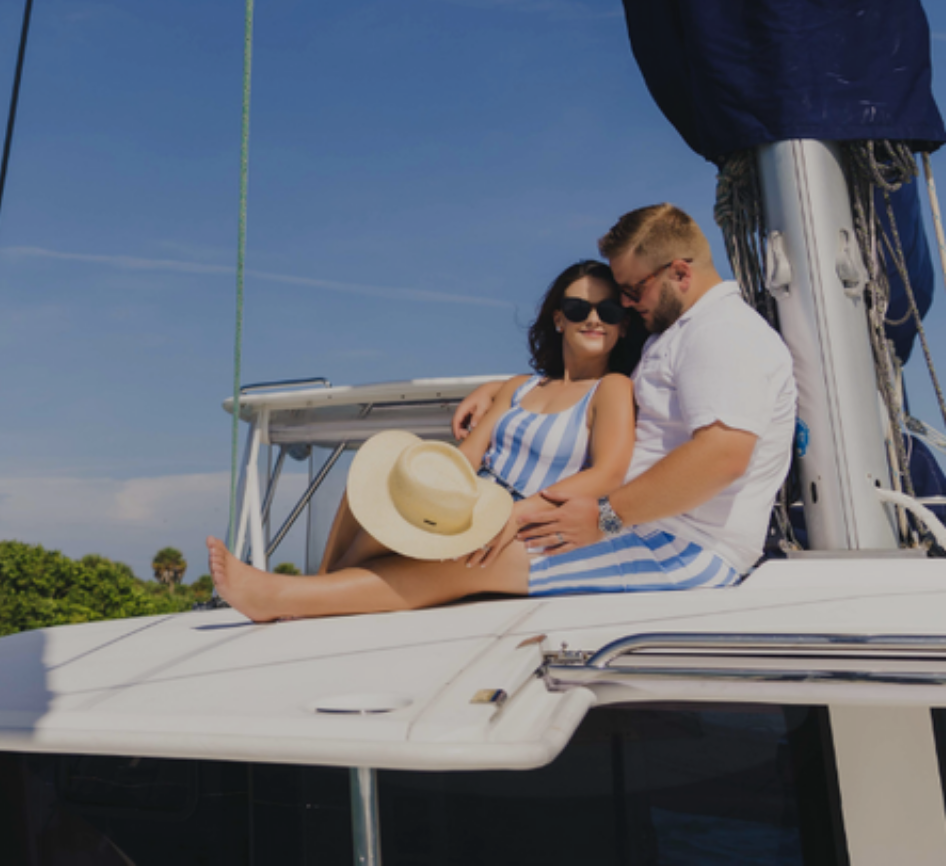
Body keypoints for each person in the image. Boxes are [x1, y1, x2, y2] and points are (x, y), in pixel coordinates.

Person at [213, 203, 797, 620]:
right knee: (394, 506)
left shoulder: (723, 334)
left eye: (630, 293)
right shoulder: (683, 331)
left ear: (680, 273)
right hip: (647, 527)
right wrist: (502, 389)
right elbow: (572, 383)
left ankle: (283, 601)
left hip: (680, 549)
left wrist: (606, 516)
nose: (623, 304)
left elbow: (723, 455)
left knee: (467, 562)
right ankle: (314, 596)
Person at [210, 259, 644, 620]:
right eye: (578, 307)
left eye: (608, 311)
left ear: (623, 327)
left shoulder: (612, 389)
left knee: (438, 558)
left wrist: (520, 512)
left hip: (525, 520)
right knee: (375, 482)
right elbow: (467, 457)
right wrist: (425, 486)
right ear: (558, 318)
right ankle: (322, 588)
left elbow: (608, 473)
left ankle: (290, 597)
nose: (593, 319)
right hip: (472, 504)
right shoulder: (518, 388)